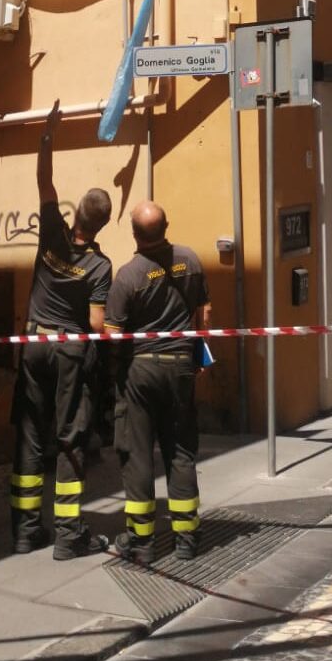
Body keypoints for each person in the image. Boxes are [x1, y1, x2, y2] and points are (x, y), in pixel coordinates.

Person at [10, 100, 113, 559]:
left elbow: (44, 181)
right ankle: (69, 535)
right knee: (70, 438)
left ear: (76, 216)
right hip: (69, 353)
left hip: (33, 343)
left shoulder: (51, 231)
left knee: (31, 435)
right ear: (102, 224)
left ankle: (26, 530)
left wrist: (48, 135)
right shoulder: (100, 265)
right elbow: (94, 324)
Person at [106, 201, 211, 564]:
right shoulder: (191, 261)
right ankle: (187, 537)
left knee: (138, 455)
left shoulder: (129, 275)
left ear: (135, 234)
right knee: (180, 450)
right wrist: (198, 353)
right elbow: (205, 312)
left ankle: (142, 541)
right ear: (167, 226)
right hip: (182, 364)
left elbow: (112, 334)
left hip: (141, 370)